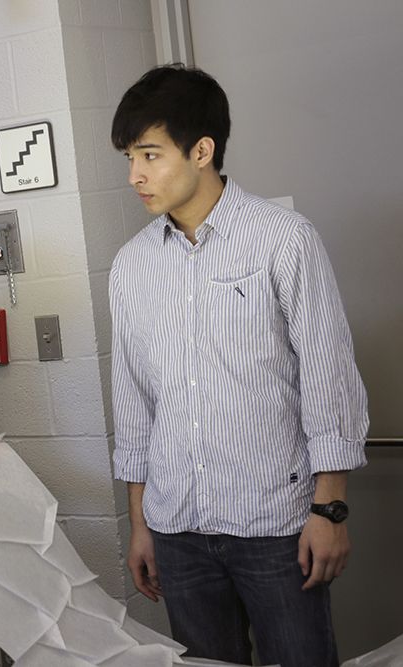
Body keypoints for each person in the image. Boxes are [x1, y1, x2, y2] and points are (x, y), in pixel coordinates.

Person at [108, 65, 368, 667]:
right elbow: (133, 403)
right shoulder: (131, 266)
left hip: (276, 526)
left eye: (149, 154)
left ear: (202, 150)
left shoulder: (284, 240)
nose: (135, 176)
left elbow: (329, 380)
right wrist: (141, 523)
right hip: (176, 531)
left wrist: (329, 510)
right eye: (129, 157)